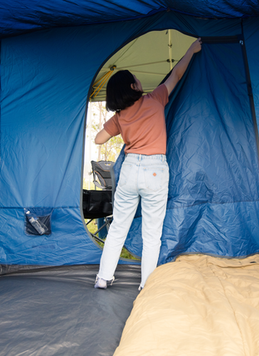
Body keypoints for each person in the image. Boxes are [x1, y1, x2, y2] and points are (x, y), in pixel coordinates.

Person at [94, 38, 202, 290]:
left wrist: (116, 124)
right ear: (133, 86)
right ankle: (146, 284)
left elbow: (99, 139)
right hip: (155, 170)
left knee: (118, 227)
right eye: (137, 79)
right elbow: (176, 73)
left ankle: (103, 277)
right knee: (151, 234)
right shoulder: (155, 100)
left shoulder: (120, 117)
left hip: (130, 170)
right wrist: (191, 50)